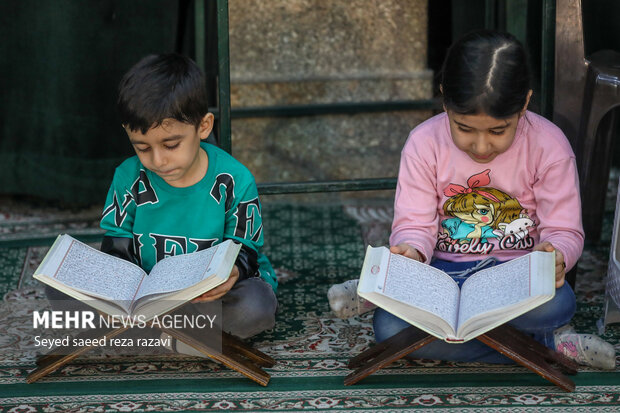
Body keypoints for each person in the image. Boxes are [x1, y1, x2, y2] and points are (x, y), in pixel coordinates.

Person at [328, 30, 615, 369]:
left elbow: (565, 232)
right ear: (444, 100)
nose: (481, 147)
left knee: (557, 305)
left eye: (498, 131)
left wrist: (556, 257)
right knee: (389, 330)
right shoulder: (424, 143)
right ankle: (549, 346)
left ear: (524, 102)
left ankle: (411, 322)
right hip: (442, 275)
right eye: (464, 129)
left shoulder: (549, 146)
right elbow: (415, 225)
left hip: (513, 280)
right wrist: (411, 250)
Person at [45, 53, 277, 356]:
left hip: (206, 298)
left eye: (171, 145)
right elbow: (117, 248)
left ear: (204, 126)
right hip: (148, 298)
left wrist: (233, 272)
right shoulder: (128, 177)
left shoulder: (233, 179)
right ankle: (180, 334)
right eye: (142, 147)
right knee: (57, 284)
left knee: (255, 306)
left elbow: (246, 249)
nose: (158, 160)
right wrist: (116, 294)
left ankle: (153, 333)